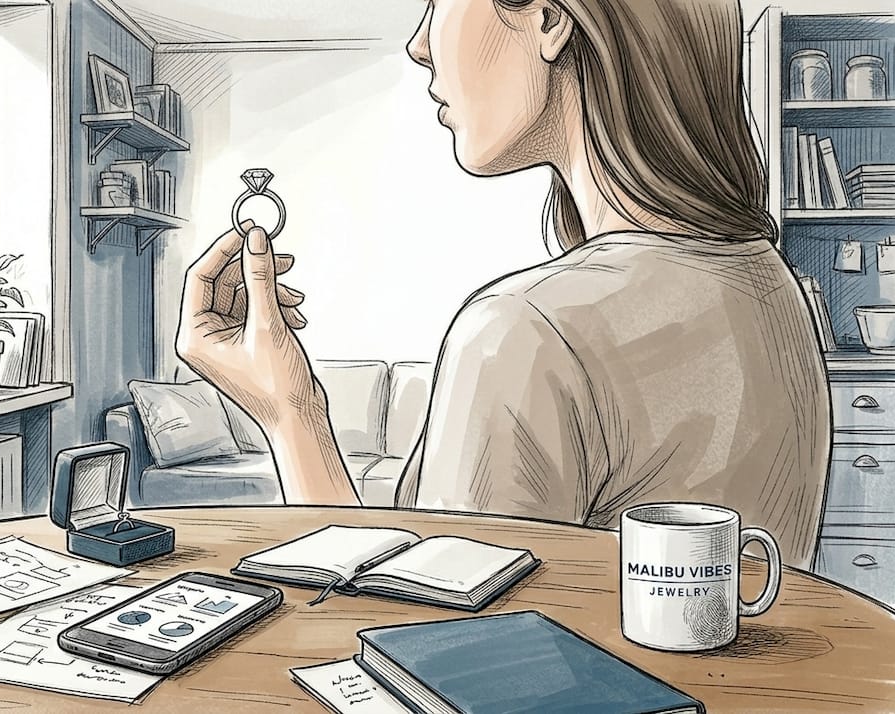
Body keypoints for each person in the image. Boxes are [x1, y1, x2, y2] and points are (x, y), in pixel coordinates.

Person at [176, 0, 829, 569]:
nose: (419, 44)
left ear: (547, 19)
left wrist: (289, 413)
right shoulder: (772, 287)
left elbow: (426, 657)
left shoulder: (526, 332)